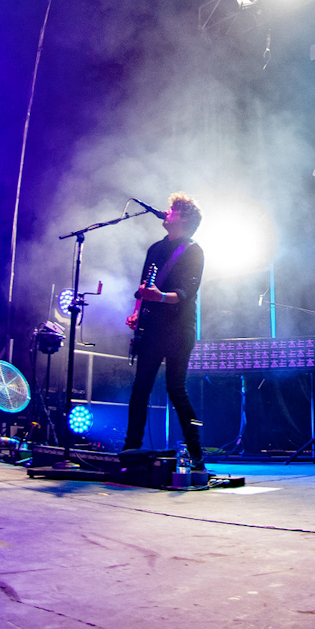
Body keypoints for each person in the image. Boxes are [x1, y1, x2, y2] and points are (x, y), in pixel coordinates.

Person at [122, 192, 205, 465]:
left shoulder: (194, 251)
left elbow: (187, 292)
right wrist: (136, 313)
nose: (166, 212)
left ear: (184, 218)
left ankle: (195, 452)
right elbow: (144, 287)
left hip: (179, 329)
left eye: (173, 209)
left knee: (176, 388)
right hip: (152, 327)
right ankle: (130, 447)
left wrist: (160, 297)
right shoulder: (155, 249)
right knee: (141, 386)